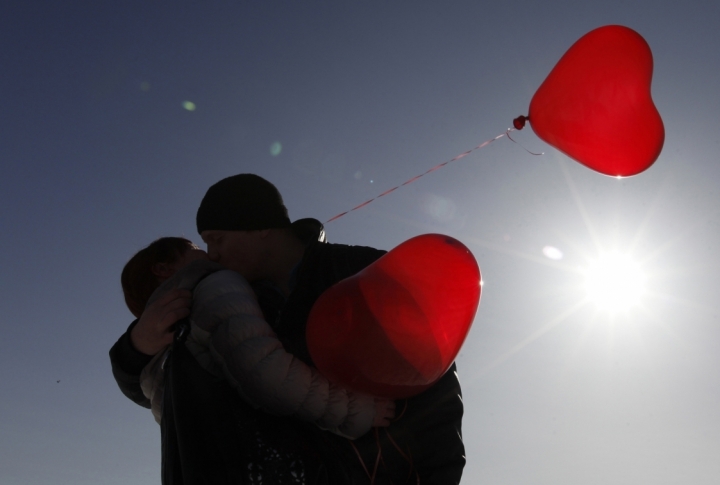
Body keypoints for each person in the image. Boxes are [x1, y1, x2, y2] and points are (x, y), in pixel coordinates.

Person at [196, 174, 466, 483]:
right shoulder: (238, 309)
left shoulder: (364, 271)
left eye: (217, 239)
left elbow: (431, 379)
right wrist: (133, 352)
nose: (212, 254)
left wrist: (437, 476)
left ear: (259, 226)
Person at [120, 236, 394, 437]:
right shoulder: (215, 287)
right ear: (162, 268)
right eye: (196, 248)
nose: (210, 255)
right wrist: (355, 411)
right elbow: (268, 374)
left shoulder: (154, 359)